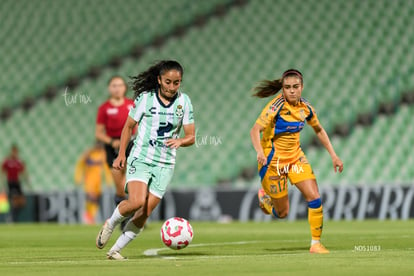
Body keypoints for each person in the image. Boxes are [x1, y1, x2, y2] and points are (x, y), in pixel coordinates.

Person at [96, 60, 195, 260]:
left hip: (165, 164)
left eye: (176, 83)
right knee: (136, 202)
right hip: (141, 157)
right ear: (159, 80)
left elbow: (191, 136)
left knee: (145, 212)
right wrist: (122, 154)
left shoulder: (184, 102)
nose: (171, 87)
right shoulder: (145, 99)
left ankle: (115, 250)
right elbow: (128, 127)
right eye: (168, 82)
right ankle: (111, 223)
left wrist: (180, 141)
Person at [250, 69, 343, 254]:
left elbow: (319, 130)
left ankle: (315, 243)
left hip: (295, 159)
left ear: (302, 87)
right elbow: (255, 130)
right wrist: (259, 151)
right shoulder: (275, 107)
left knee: (314, 196)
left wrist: (334, 155)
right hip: (272, 162)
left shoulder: (306, 108)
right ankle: (267, 201)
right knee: (282, 213)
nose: (292, 91)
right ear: (282, 89)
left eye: (295, 87)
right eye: (287, 87)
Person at [96, 76, 136, 210]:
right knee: (120, 187)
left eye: (120, 85)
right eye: (114, 85)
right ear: (109, 88)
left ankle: (134, 216)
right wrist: (112, 141)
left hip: (131, 144)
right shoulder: (104, 108)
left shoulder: (132, 104)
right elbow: (99, 133)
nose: (117, 88)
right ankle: (123, 216)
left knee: (132, 182)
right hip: (113, 146)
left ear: (125, 88)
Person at [74, 141, 113, 224]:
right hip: (89, 181)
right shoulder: (88, 154)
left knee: (95, 200)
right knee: (91, 198)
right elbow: (80, 165)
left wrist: (108, 181)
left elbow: (106, 168)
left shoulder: (102, 155)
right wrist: (78, 178)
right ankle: (88, 216)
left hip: (97, 182)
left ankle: (90, 217)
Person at [1, 145, 29, 222]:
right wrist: (2, 184)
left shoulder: (19, 161)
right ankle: (11, 218)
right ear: (11, 151)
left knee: (22, 202)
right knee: (12, 201)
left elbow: (24, 172)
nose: (15, 153)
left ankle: (12, 217)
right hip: (10, 182)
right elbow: (2, 171)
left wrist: (27, 183)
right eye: (14, 151)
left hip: (17, 182)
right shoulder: (7, 161)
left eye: (16, 151)